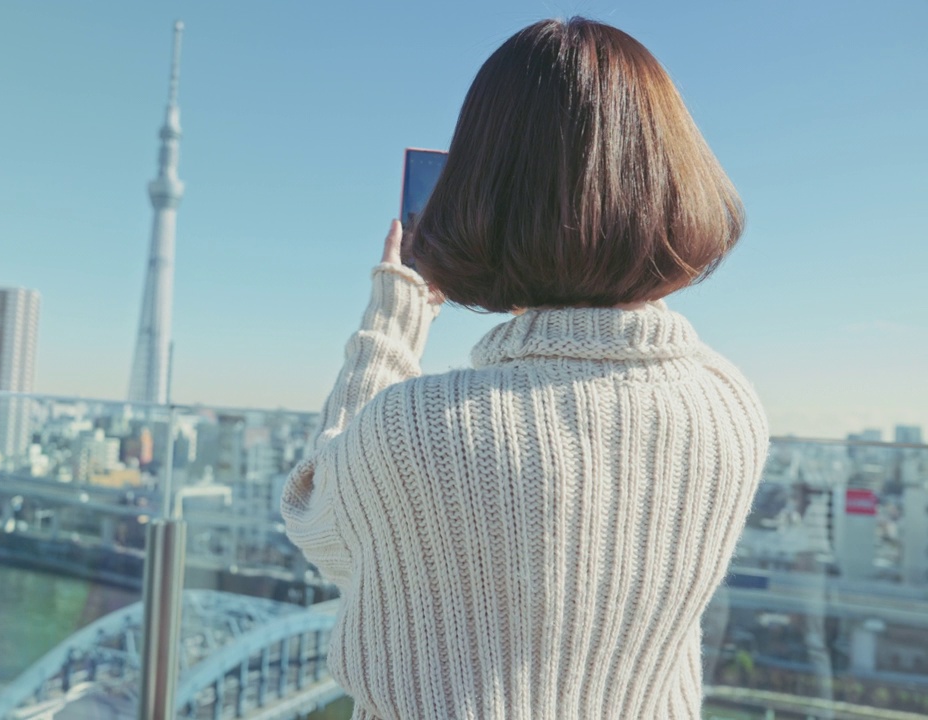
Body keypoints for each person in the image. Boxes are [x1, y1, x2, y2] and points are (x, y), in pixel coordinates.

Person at [281, 17, 769, 720]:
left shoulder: (419, 426)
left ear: (480, 192)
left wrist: (397, 311)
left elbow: (319, 521)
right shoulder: (730, 404)